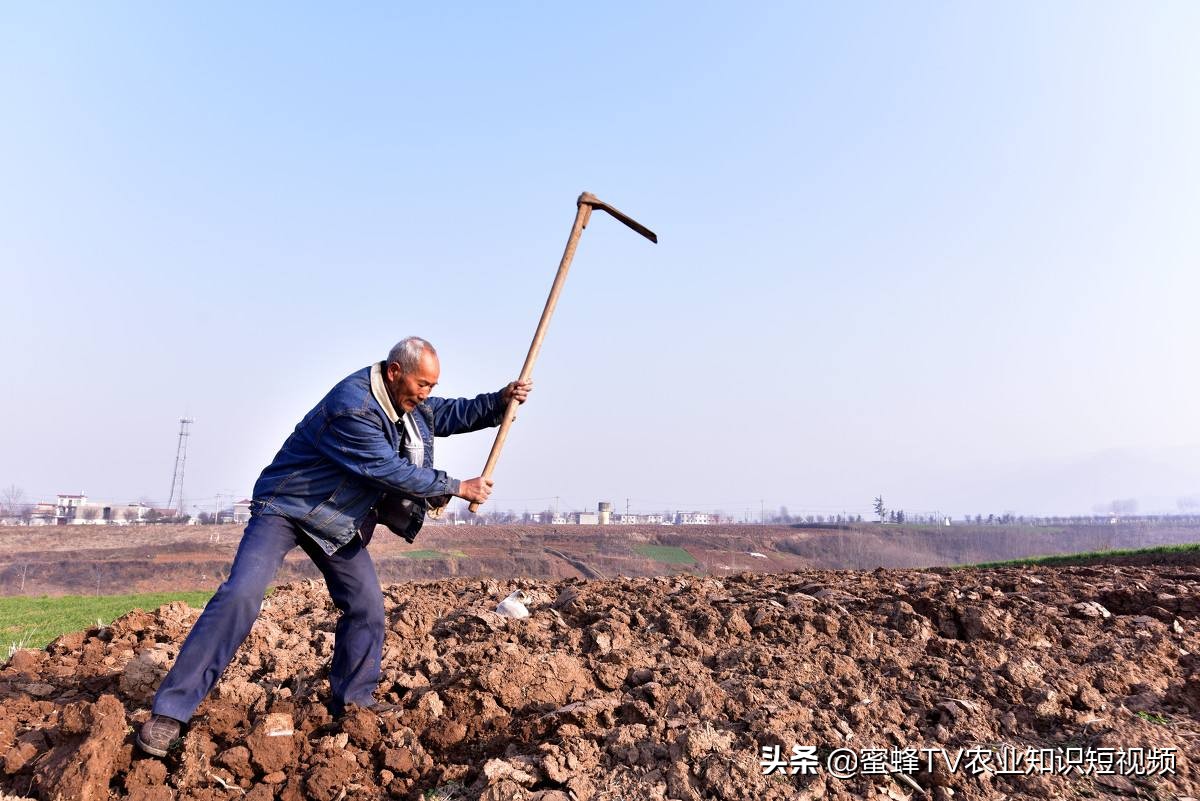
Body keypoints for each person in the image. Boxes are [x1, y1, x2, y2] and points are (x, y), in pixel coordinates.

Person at [137, 336, 530, 756]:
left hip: (338, 520)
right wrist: (457, 486)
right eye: (422, 385)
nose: (427, 394)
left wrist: (498, 401)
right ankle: (170, 712)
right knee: (241, 594)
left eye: (432, 386)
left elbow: (443, 414)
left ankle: (354, 704)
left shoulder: (406, 401)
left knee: (366, 607)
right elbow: (386, 469)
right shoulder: (353, 406)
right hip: (287, 507)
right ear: (395, 372)